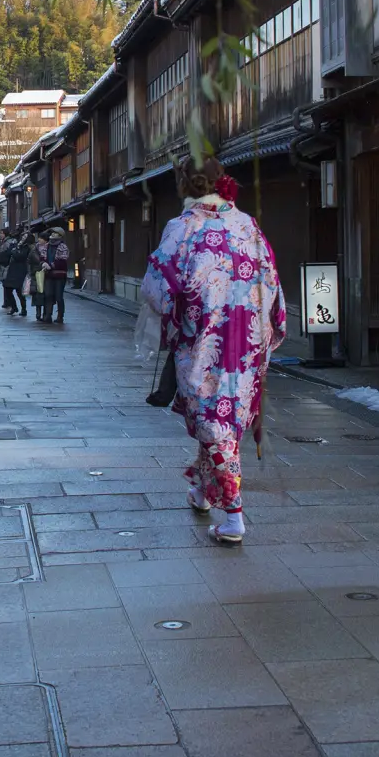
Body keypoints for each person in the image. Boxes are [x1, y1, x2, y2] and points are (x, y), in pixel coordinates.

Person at [139, 157, 287, 546]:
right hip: (248, 343)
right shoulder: (247, 225)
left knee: (214, 423)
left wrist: (181, 309)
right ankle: (203, 492)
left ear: (185, 184)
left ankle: (234, 517)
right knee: (226, 417)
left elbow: (156, 288)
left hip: (204, 341)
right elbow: (272, 283)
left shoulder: (183, 228)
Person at [44, 228, 70, 323]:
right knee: (48, 294)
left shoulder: (63, 247)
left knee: (59, 296)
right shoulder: (46, 246)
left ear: (60, 235)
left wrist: (51, 265)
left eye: (55, 233)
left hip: (59, 275)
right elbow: (42, 257)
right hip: (48, 274)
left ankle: (60, 316)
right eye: (52, 233)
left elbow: (62, 261)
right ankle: (48, 315)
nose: (53, 234)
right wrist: (43, 263)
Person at [2, 235, 31, 315]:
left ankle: (24, 309)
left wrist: (14, 251)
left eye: (25, 237)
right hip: (12, 270)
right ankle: (14, 307)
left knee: (19, 291)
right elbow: (8, 253)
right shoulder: (16, 245)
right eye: (22, 236)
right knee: (7, 288)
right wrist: (13, 249)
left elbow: (20, 256)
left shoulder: (27, 247)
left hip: (20, 271)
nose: (22, 238)